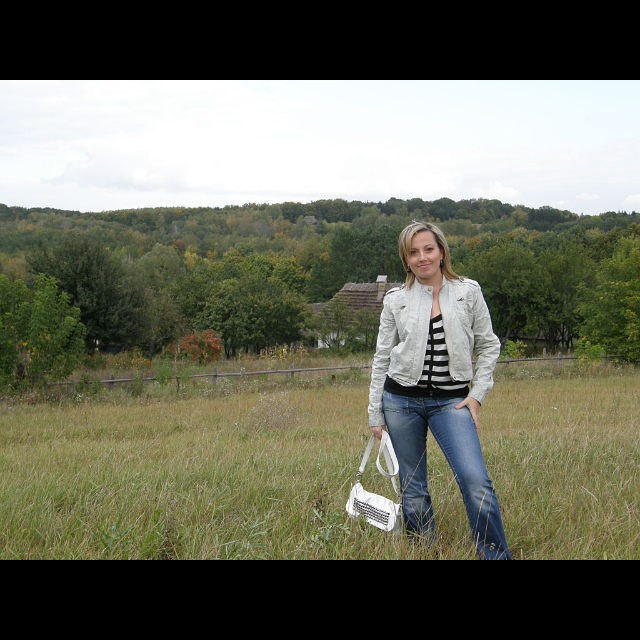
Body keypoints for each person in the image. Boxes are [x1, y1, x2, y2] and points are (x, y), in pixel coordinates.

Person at [368, 220, 511, 560]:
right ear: (406, 260)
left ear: (442, 251)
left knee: (475, 481)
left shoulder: (468, 292)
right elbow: (382, 357)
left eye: (428, 249)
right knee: (413, 487)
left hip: (452, 402)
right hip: (400, 402)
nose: (422, 258)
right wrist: (375, 412)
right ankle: (423, 551)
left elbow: (489, 345)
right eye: (413, 252)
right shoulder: (396, 300)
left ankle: (494, 555)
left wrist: (477, 395)